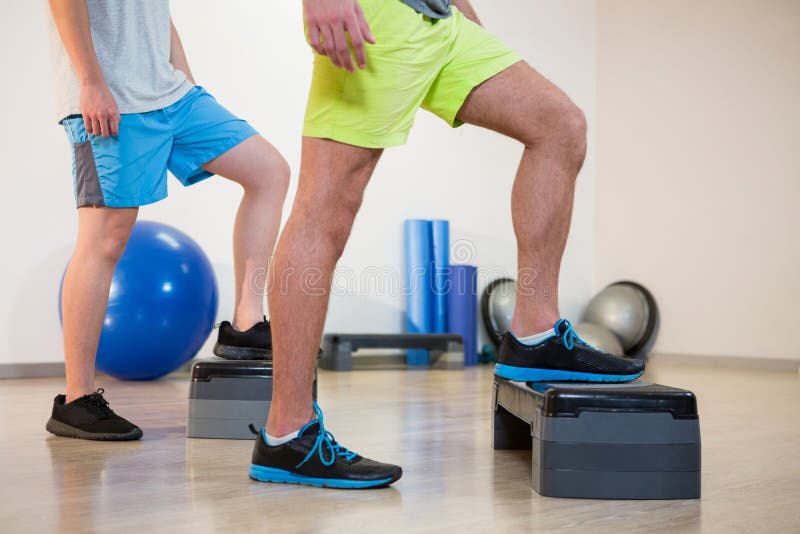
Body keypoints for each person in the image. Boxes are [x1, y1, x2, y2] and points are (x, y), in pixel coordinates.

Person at [247, 0, 645, 489]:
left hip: (440, 21)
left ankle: (535, 333)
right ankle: (288, 430)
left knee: (560, 126)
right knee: (326, 206)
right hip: (381, 16)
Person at [46, 0, 288, 441]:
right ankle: (77, 400)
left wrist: (187, 83)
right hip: (110, 95)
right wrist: (90, 81)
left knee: (269, 171)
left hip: (172, 95)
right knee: (104, 239)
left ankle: (247, 324)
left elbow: (156, 15)